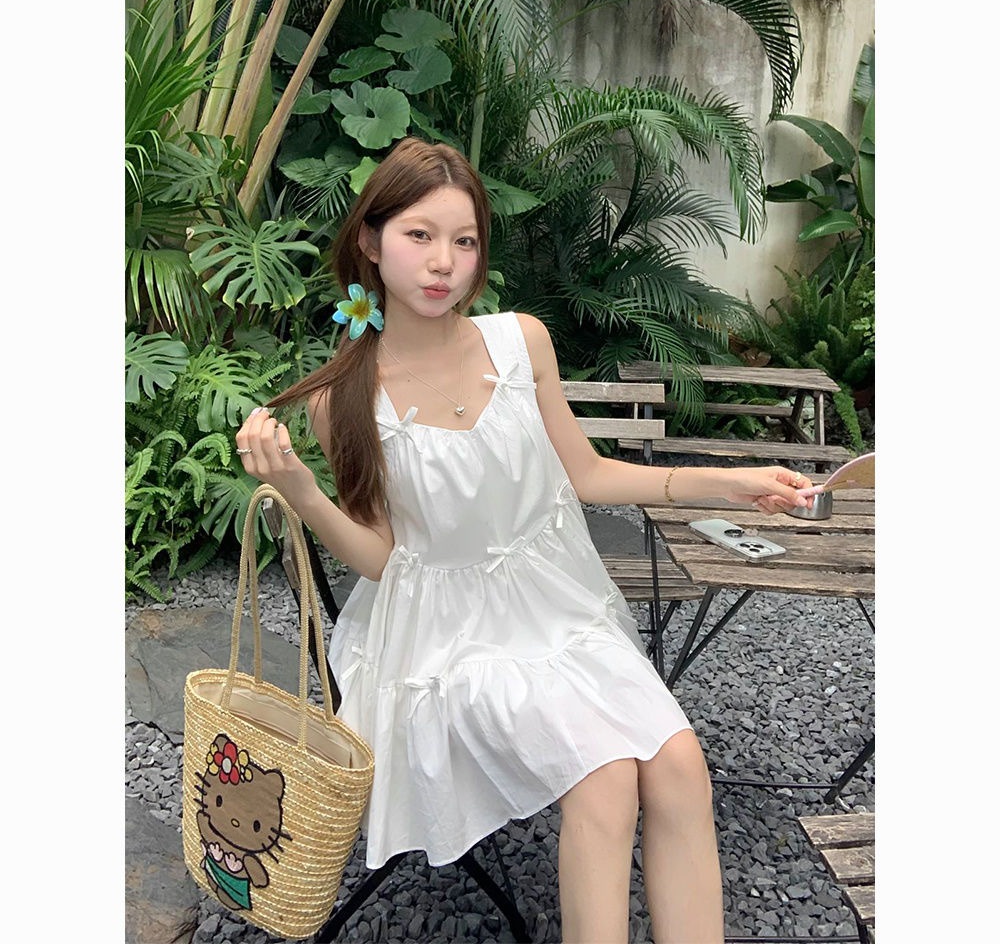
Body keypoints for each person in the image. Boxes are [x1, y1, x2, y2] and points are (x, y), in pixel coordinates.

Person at [235, 136, 814, 944]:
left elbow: (587, 473)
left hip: (555, 609)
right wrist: (302, 493)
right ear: (370, 241)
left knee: (681, 765)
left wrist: (727, 482)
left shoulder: (521, 341)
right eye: (419, 235)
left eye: (464, 241)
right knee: (606, 778)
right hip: (446, 639)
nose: (444, 262)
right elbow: (384, 558)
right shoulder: (345, 398)